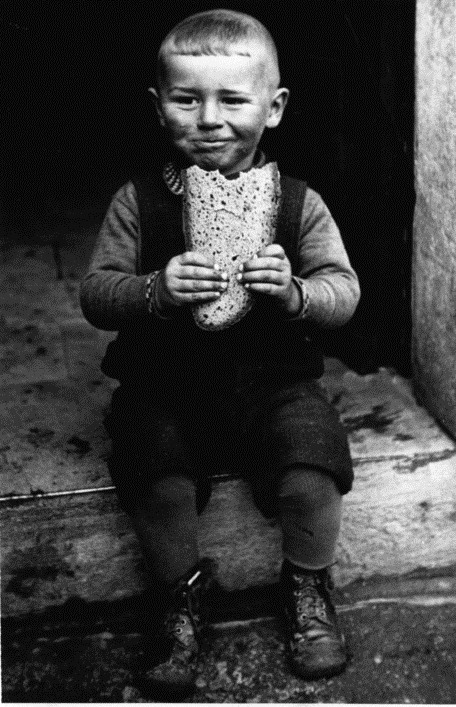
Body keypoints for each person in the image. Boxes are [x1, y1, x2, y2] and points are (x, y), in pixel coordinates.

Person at [80, 8, 360, 698]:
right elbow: (95, 293)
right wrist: (152, 289)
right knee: (156, 470)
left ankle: (307, 586)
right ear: (158, 106)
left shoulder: (298, 205)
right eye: (186, 98)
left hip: (273, 379)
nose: (208, 118)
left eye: (232, 99)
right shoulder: (137, 202)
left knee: (313, 460)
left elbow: (343, 290)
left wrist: (295, 293)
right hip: (166, 381)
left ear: (275, 108)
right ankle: (179, 598)